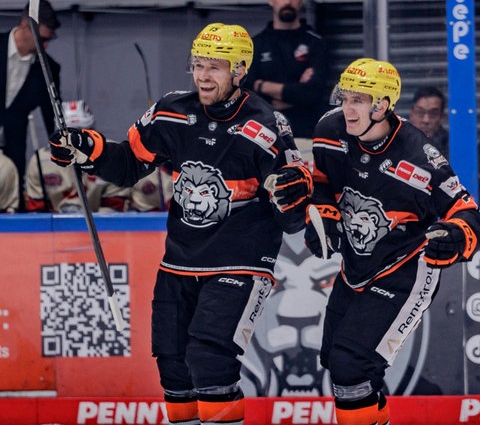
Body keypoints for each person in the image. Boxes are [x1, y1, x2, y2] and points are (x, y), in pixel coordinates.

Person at [48, 23, 311, 425]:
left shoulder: (267, 126)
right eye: (198, 64)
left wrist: (295, 193)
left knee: (209, 357)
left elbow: (291, 217)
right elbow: (128, 163)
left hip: (240, 262)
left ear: (240, 70)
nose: (203, 76)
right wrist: (87, 148)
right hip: (180, 261)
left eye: (215, 67)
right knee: (172, 363)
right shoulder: (171, 111)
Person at [266, 58, 480, 424]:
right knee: (337, 361)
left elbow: (466, 209)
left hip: (406, 272)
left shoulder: (418, 154)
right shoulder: (329, 130)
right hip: (356, 270)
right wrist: (325, 213)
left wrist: (458, 235)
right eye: (345, 97)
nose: (347, 108)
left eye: (359, 101)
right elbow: (322, 184)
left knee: (352, 363)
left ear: (382, 106)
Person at [244, 0, 330, 139]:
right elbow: (249, 96)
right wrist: (295, 94)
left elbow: (313, 93)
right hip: (264, 135)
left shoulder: (317, 43)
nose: (288, 1)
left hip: (307, 135)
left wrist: (262, 85)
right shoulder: (254, 45)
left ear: (301, 0)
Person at [0, 0, 61, 211]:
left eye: (49, 40)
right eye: (43, 38)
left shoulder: (49, 68)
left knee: (11, 205)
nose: (46, 45)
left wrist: (60, 150)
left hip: (16, 147)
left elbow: (52, 117)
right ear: (25, 27)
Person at [25, 101, 131, 213]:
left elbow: (115, 211)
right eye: (70, 134)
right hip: (56, 226)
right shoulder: (40, 161)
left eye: (82, 132)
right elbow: (37, 213)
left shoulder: (112, 156)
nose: (77, 141)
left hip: (99, 225)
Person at [409, 85, 449, 156]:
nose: (426, 120)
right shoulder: (400, 142)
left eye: (433, 114)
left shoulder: (451, 146)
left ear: (442, 117)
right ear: (411, 114)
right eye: (420, 113)